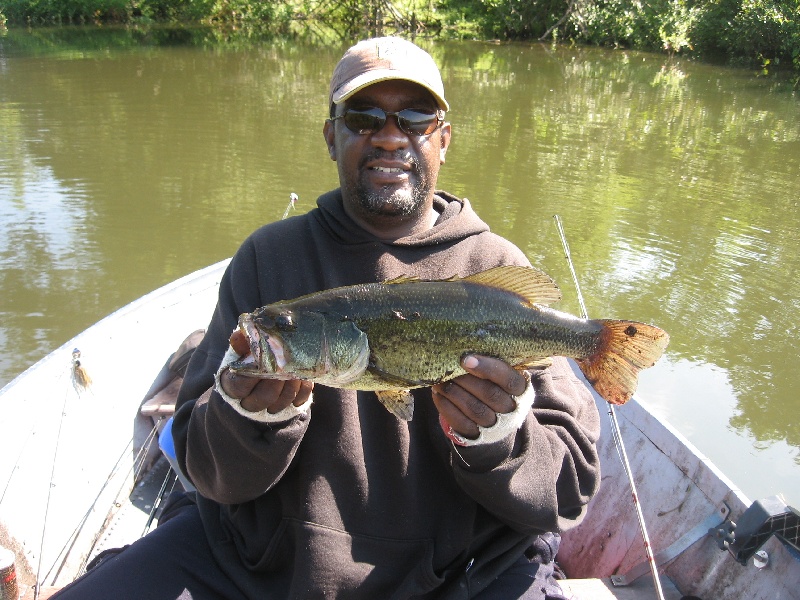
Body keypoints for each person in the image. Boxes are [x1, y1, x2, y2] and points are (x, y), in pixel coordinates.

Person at [53, 36, 601, 599]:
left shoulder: (494, 269)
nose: (389, 136)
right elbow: (206, 471)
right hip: (261, 565)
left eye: (415, 117)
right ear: (330, 136)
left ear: (444, 138)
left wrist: (498, 437)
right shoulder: (270, 261)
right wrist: (249, 420)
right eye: (362, 117)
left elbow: (567, 493)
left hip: (460, 578)